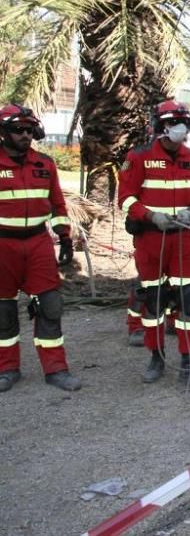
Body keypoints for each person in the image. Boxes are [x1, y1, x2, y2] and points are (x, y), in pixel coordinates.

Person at [118, 100, 190, 389]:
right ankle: (156, 358)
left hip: (182, 239)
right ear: (161, 127)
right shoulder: (138, 157)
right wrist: (150, 216)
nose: (179, 128)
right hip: (150, 239)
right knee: (154, 301)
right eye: (173, 123)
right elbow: (126, 197)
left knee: (189, 301)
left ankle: (189, 364)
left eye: (183, 123)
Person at [0, 104, 81, 393]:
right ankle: (7, 369)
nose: (25, 134)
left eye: (28, 129)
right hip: (3, 246)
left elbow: (57, 204)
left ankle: (56, 369)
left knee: (50, 306)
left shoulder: (44, 164)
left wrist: (66, 236)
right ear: (3, 132)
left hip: (38, 244)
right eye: (18, 129)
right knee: (3, 310)